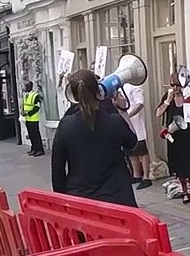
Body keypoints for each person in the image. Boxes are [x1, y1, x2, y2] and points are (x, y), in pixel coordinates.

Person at [51, 71, 139, 207]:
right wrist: (122, 110)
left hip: (80, 199)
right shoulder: (114, 121)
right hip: (116, 199)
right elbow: (132, 143)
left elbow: (57, 169)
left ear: (74, 96)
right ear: (98, 90)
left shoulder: (65, 125)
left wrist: (63, 200)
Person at [156, 75, 190, 203]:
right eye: (173, 85)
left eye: (178, 85)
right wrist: (167, 101)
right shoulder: (168, 97)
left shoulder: (188, 96)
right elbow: (158, 113)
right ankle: (185, 191)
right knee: (180, 167)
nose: (176, 88)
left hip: (188, 134)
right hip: (174, 134)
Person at [121, 80, 152, 189]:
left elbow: (140, 103)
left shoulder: (136, 85)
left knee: (141, 148)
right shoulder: (121, 86)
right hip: (126, 121)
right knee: (131, 149)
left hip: (135, 119)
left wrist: (129, 114)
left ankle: (146, 177)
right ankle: (136, 174)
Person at [21, 82, 45, 156]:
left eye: (26, 86)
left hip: (33, 119)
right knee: (31, 135)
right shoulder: (25, 96)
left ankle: (40, 150)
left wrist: (29, 113)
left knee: (36, 135)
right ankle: (34, 148)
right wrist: (22, 111)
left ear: (30, 87)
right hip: (27, 119)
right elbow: (24, 105)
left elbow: (37, 107)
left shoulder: (35, 95)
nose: (25, 88)